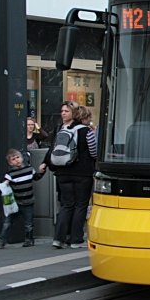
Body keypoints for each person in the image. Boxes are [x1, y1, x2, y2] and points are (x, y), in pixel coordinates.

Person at [42, 101, 97, 249]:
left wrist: (45, 163)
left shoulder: (60, 130)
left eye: (65, 111)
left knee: (66, 205)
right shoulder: (86, 131)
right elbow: (94, 152)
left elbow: (52, 149)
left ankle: (59, 238)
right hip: (82, 174)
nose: (63, 113)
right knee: (80, 206)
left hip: (62, 172)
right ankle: (75, 239)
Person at [0, 148, 46, 248]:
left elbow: (36, 177)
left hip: (28, 202)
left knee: (29, 223)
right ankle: (1, 240)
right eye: (13, 159)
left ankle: (29, 240)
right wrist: (5, 183)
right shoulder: (10, 174)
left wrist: (41, 172)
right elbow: (5, 182)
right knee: (7, 222)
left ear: (22, 158)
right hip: (16, 203)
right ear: (10, 163)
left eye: (18, 157)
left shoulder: (29, 169)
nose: (17, 160)